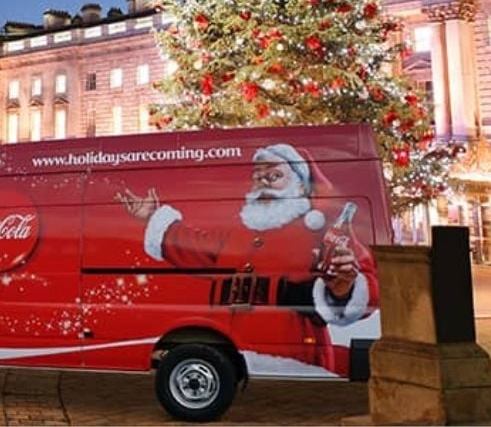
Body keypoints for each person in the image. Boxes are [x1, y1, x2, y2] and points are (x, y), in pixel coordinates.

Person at [117, 143, 378, 376]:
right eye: (258, 177)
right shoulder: (239, 228)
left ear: (300, 184)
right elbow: (196, 247)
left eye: (274, 176)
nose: (263, 183)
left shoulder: (323, 227)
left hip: (297, 352)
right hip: (232, 344)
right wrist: (153, 218)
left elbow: (366, 279)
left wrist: (345, 286)